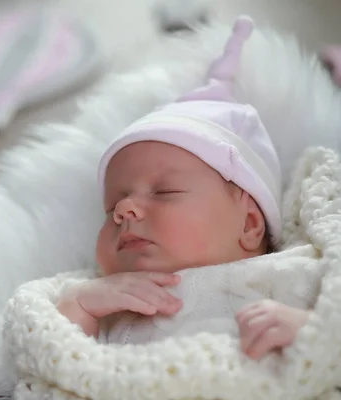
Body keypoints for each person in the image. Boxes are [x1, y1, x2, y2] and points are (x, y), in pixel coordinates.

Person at [56, 16, 312, 361]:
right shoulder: (108, 307)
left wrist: (309, 331)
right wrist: (80, 308)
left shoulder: (293, 275)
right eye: (111, 208)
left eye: (163, 192)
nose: (123, 210)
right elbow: (51, 364)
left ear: (249, 224)